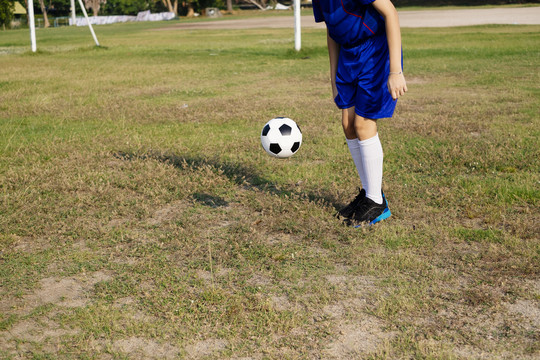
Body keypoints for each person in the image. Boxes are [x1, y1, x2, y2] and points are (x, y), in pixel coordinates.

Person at [312, 0, 407, 226]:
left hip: (375, 51)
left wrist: (395, 71)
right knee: (348, 124)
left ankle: (376, 203)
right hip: (348, 56)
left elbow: (390, 12)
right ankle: (369, 194)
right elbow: (332, 31)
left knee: (363, 125)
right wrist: (333, 76)